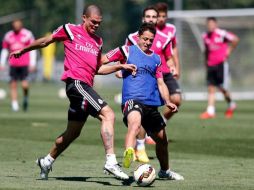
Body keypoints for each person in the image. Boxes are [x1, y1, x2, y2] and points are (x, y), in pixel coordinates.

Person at [10, 5, 136, 180]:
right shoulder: (70, 30)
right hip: (76, 83)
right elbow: (46, 41)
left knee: (73, 132)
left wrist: (120, 66)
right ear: (84, 17)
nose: (96, 25)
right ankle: (111, 161)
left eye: (99, 23)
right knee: (108, 115)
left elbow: (97, 68)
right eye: (93, 22)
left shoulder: (98, 41)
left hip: (85, 86)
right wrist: (23, 50)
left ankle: (47, 161)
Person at [102, 23, 184, 180]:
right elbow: (103, 60)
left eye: (150, 40)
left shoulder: (156, 59)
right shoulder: (127, 50)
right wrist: (118, 67)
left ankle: (165, 171)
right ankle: (129, 153)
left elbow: (161, 83)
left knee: (162, 139)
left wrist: (167, 100)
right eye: (145, 39)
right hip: (132, 100)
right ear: (138, 37)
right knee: (135, 124)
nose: (147, 42)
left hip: (151, 104)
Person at [124, 5, 180, 163]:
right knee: (138, 117)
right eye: (148, 16)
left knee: (171, 103)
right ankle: (139, 148)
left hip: (159, 76)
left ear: (158, 19)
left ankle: (160, 163)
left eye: (153, 17)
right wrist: (119, 68)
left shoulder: (163, 38)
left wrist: (173, 66)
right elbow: (125, 56)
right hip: (141, 82)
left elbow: (168, 57)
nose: (150, 19)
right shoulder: (132, 38)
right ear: (143, 19)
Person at [200, 17, 239, 119]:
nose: (211, 26)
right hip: (210, 65)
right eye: (209, 24)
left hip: (221, 65)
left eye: (212, 24)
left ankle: (231, 104)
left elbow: (235, 39)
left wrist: (229, 51)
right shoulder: (205, 36)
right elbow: (206, 50)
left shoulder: (221, 33)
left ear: (216, 25)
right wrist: (205, 61)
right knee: (211, 88)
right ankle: (210, 111)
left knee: (223, 88)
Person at [0, 19, 37, 111]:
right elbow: (4, 49)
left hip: (24, 64)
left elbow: (33, 48)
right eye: (14, 24)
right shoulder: (8, 35)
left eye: (18, 24)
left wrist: (33, 63)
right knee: (13, 84)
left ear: (21, 25)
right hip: (13, 63)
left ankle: (25, 98)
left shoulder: (27, 34)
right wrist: (2, 62)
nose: (16, 26)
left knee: (25, 85)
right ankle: (14, 104)